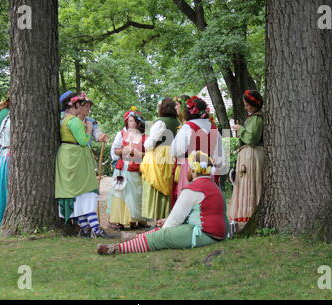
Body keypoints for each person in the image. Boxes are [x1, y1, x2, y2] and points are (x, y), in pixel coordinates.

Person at [97, 151, 228, 255]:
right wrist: (166, 221)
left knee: (162, 235)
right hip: (217, 232)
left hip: (204, 233)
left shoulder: (193, 189)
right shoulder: (214, 186)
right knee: (162, 228)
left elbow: (175, 220)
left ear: (193, 170)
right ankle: (136, 239)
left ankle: (118, 248)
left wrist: (164, 229)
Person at [55, 92, 112, 238]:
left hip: (68, 156)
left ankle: (86, 229)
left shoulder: (63, 119)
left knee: (78, 194)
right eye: (83, 105)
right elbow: (83, 140)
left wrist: (97, 134)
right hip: (77, 157)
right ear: (74, 105)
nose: (85, 108)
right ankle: (95, 229)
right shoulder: (73, 121)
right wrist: (89, 130)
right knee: (87, 191)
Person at [171, 96, 224, 205]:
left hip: (190, 167)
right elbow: (219, 154)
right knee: (206, 199)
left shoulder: (188, 127)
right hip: (208, 168)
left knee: (189, 199)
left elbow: (177, 150)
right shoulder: (213, 128)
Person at [107, 106, 148, 230]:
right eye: (129, 121)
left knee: (136, 194)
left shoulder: (144, 137)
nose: (131, 123)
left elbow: (148, 154)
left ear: (138, 122)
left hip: (135, 168)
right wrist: (124, 150)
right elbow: (115, 150)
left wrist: (138, 153)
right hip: (122, 168)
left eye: (133, 121)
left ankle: (136, 219)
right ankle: (119, 220)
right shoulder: (121, 134)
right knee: (120, 192)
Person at [141, 98, 180, 221]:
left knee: (156, 183)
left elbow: (150, 143)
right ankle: (167, 216)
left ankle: (156, 217)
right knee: (168, 184)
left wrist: (146, 144)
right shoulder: (178, 122)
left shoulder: (160, 122)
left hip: (160, 155)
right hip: (173, 154)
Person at [229, 89, 264, 223]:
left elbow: (252, 138)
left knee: (250, 183)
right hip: (250, 155)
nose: (245, 107)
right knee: (247, 182)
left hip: (253, 155)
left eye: (247, 104)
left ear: (254, 104)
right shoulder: (253, 118)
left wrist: (240, 129)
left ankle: (250, 212)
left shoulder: (256, 118)